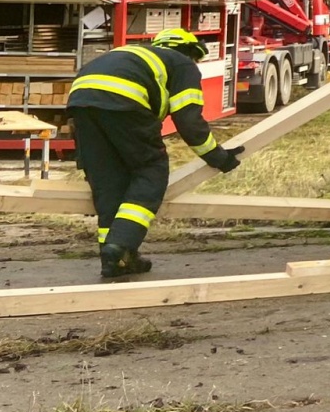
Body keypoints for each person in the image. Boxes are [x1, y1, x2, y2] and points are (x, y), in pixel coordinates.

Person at [66, 27, 243, 279]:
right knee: (151, 170)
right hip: (124, 102)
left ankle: (116, 259)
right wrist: (219, 157)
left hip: (80, 103)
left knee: (109, 182)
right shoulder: (182, 64)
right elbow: (188, 120)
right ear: (188, 51)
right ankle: (120, 246)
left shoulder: (133, 55)